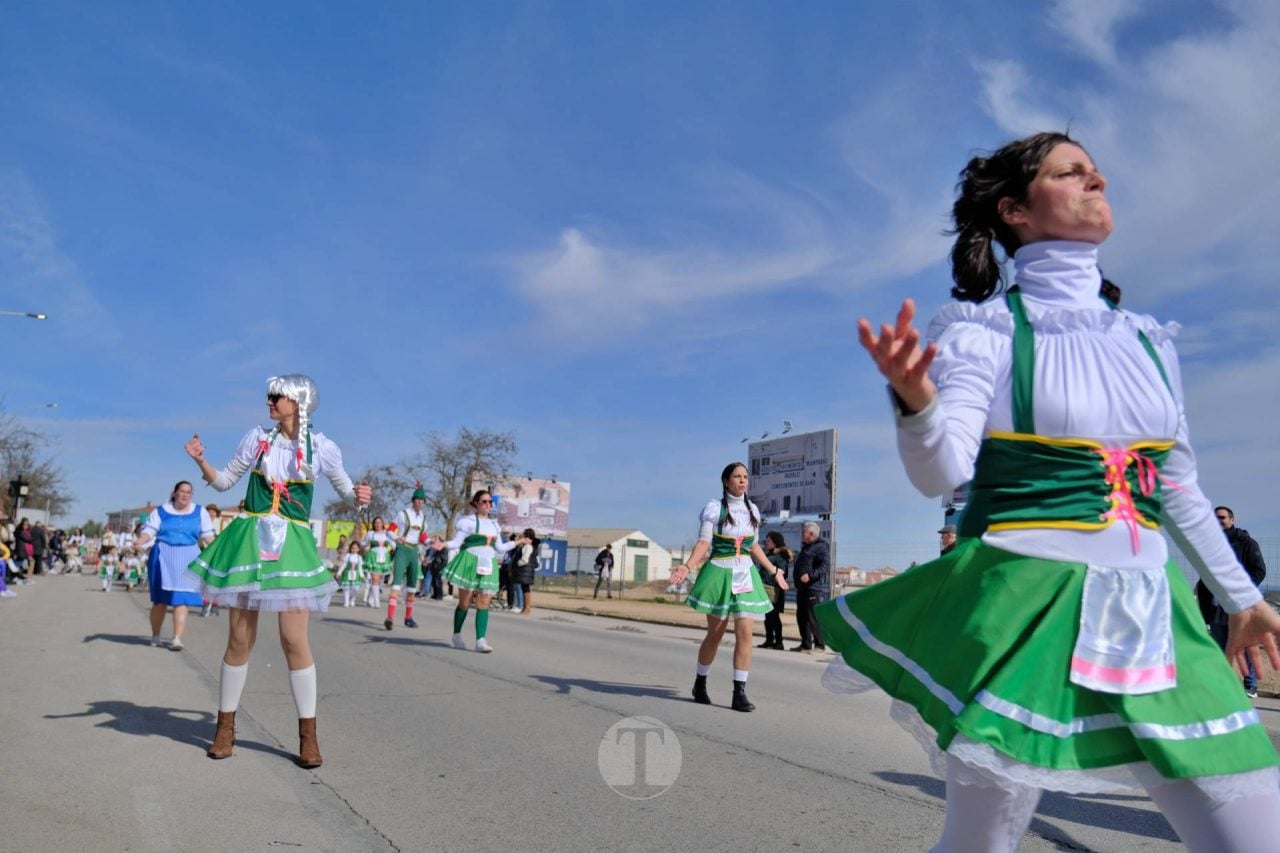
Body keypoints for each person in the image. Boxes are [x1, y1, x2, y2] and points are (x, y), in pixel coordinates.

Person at [818, 131, 1280, 852]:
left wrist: (1242, 600)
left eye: (1097, 171)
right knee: (982, 842)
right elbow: (940, 472)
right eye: (1072, 173)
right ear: (1016, 210)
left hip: (1153, 608)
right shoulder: (984, 331)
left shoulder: (1149, 338)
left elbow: (1178, 483)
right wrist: (916, 403)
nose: (1097, 180)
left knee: (1254, 833)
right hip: (1026, 607)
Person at [185, 374, 371, 767]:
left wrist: (360, 498)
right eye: (269, 396)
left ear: (298, 403)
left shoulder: (321, 448)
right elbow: (223, 483)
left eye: (277, 396)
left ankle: (308, 736)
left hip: (293, 547)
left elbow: (346, 491)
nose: (269, 402)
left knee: (293, 640)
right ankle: (224, 729)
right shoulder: (256, 439)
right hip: (249, 541)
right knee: (239, 639)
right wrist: (201, 460)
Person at [668, 463, 789, 712]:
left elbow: (754, 547)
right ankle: (700, 683)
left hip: (745, 574)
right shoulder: (714, 508)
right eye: (737, 477)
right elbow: (703, 543)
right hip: (720, 572)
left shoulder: (752, 509)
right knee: (716, 633)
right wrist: (687, 567)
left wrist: (773, 570)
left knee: (745, 633)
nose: (742, 481)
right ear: (726, 481)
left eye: (745, 477)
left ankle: (739, 692)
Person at [440, 490, 528, 652]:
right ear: (476, 503)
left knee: (484, 601)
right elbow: (457, 542)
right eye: (484, 501)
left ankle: (480, 640)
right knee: (464, 603)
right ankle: (457, 635)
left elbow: (500, 548)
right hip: (470, 562)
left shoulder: (494, 525)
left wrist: (519, 542)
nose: (488, 505)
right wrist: (443, 545)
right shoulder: (468, 522)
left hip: (488, 563)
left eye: (490, 502)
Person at [133, 481, 216, 650]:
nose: (185, 495)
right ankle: (155, 635)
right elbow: (149, 531)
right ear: (174, 493)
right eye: (182, 491)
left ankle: (177, 638)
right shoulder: (161, 511)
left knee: (182, 599)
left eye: (188, 492)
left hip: (188, 557)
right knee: (159, 601)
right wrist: (140, 541)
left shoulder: (200, 512)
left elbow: (208, 536)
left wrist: (219, 551)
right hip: (163, 555)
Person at [1197, 506, 1269, 699]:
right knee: (1220, 646)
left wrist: (1239, 589)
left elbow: (1259, 571)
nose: (1218, 521)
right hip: (1216, 605)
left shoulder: (1246, 542)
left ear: (1232, 520)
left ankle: (1250, 686)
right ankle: (1224, 684)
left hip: (1240, 605)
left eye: (1222, 517)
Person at [386, 485, 429, 630]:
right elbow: (390, 530)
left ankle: (408, 618)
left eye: (422, 501)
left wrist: (430, 543)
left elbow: (422, 537)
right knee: (396, 584)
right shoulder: (402, 514)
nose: (420, 503)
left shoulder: (423, 518)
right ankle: (390, 618)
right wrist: (397, 538)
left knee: (412, 587)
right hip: (402, 550)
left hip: (414, 551)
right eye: (418, 500)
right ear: (413, 501)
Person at [790, 522, 829, 653]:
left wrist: (810, 576)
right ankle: (806, 645)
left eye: (804, 532)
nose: (802, 534)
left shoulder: (821, 547)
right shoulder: (807, 547)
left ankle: (820, 646)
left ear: (811, 534)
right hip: (802, 588)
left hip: (813, 588)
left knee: (812, 617)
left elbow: (825, 566)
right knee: (801, 617)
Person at [758, 531, 791, 650]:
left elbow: (783, 572)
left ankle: (779, 642)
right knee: (767, 616)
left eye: (769, 540)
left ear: (775, 542)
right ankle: (769, 640)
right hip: (765, 588)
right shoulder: (768, 554)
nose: (766, 542)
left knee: (774, 616)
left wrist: (773, 572)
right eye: (766, 540)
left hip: (774, 589)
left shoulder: (781, 555)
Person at [362, 516, 393, 610]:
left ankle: (371, 599)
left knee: (378, 580)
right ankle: (377, 601)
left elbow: (393, 544)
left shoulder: (387, 534)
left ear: (382, 523)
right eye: (375, 522)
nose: (377, 524)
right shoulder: (370, 534)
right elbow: (363, 543)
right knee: (375, 578)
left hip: (384, 557)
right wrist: (365, 546)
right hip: (373, 556)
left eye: (379, 522)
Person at [510, 528, 539, 615]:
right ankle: (525, 608)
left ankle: (527, 608)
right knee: (525, 589)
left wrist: (518, 564)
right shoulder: (527, 546)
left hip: (524, 572)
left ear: (527, 537)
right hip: (525, 572)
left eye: (524, 536)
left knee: (526, 589)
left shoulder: (528, 546)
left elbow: (525, 560)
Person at [339, 541, 365, 608]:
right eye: (352, 548)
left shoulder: (359, 557)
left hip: (356, 574)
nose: (354, 550)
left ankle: (353, 599)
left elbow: (360, 568)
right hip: (348, 573)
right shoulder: (348, 556)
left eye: (355, 548)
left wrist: (362, 575)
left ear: (358, 549)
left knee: (355, 588)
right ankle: (346, 602)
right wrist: (339, 573)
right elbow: (343, 565)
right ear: (350, 548)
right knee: (346, 588)